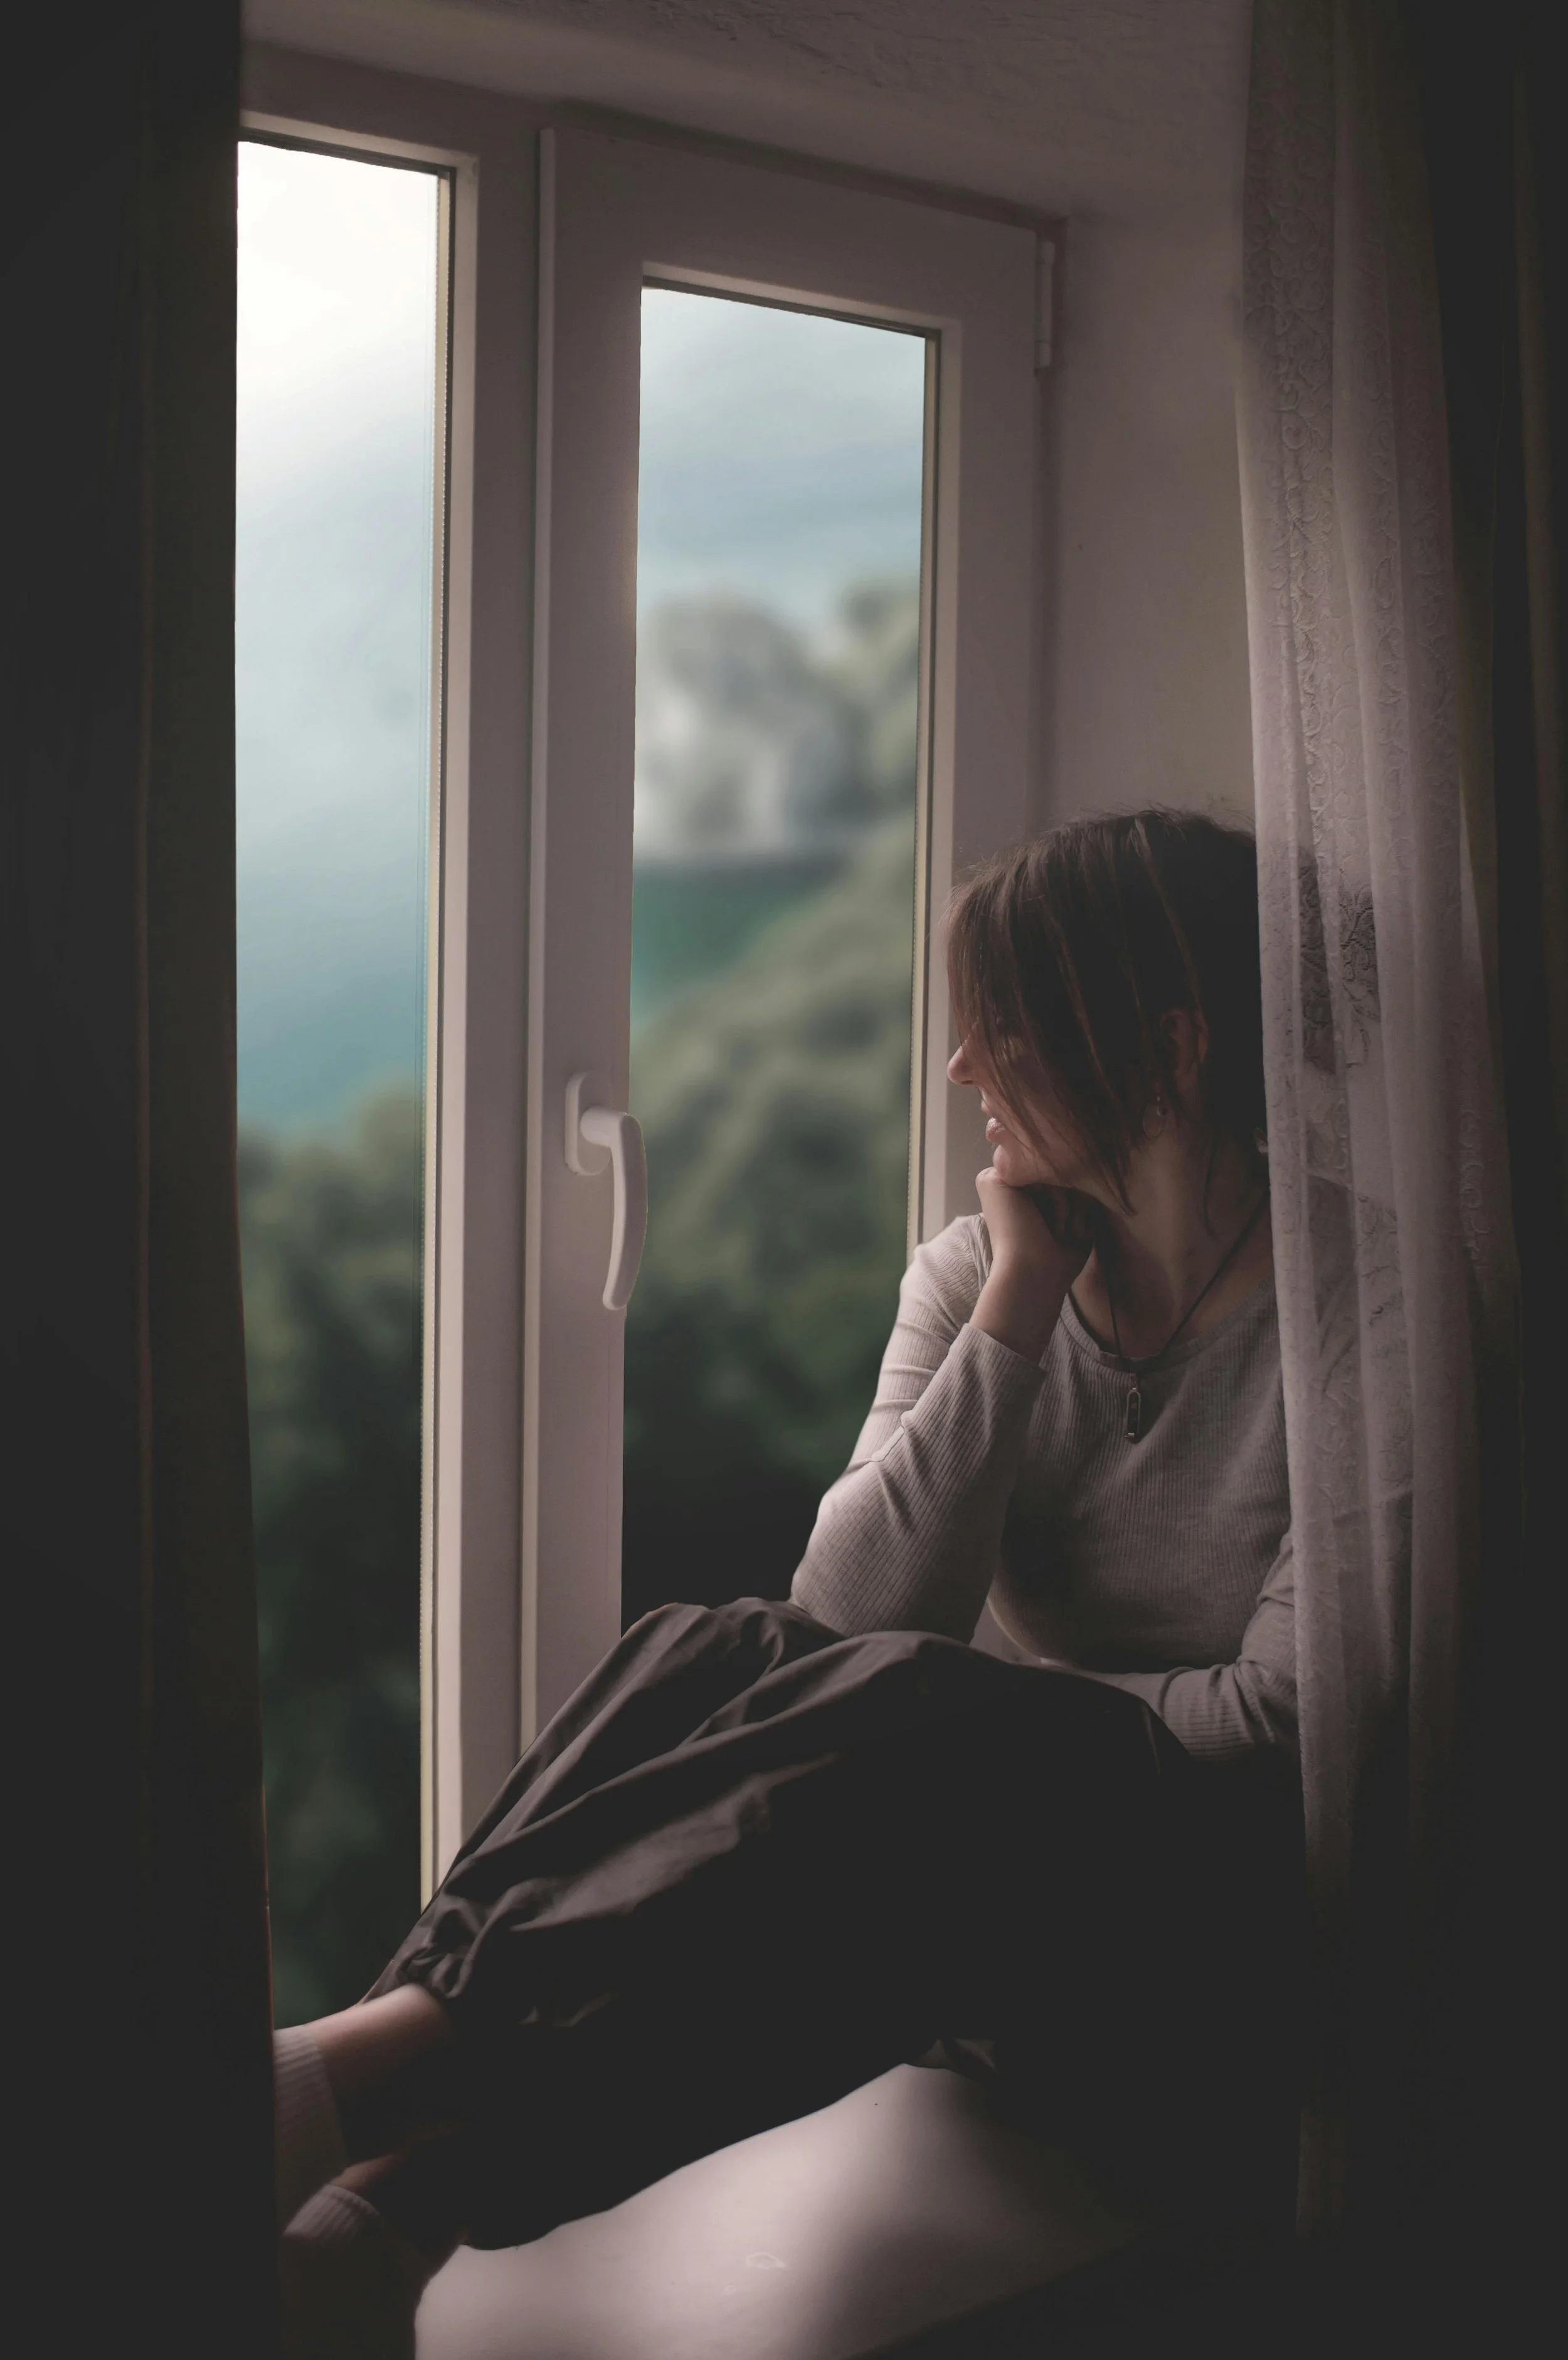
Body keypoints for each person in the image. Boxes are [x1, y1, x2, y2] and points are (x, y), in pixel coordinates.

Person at [273, 809, 1305, 2358]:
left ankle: (319, 2097)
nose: (963, 1072)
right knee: (714, 1642)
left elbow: (1281, 1718)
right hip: (958, 1872)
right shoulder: (975, 1271)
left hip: (1184, 1942)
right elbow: (843, 1623)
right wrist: (1018, 1310)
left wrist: (985, 1711)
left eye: (1002, 1029)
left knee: (915, 1721)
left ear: (1164, 1047)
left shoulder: (1356, 1314)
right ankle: (379, 2210)